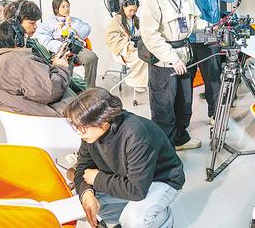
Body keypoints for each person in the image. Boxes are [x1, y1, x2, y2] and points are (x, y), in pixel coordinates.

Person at [65, 88, 184, 228]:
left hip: (161, 180)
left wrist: (97, 179)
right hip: (129, 179)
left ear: (103, 122)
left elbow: (137, 190)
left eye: (82, 127)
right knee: (83, 205)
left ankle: (162, 218)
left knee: (133, 220)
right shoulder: (90, 136)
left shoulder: (135, 134)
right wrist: (87, 194)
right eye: (77, 127)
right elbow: (82, 168)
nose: (79, 132)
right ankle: (144, 212)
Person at [139, 0, 209, 150]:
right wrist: (173, 59)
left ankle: (179, 139)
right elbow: (150, 35)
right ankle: (165, 149)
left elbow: (193, 21)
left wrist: (209, 27)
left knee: (184, 103)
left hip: (185, 55)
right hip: (165, 61)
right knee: (164, 107)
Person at [174, 0, 242, 123]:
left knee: (212, 78)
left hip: (206, 33)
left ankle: (215, 115)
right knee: (184, 81)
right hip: (183, 36)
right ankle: (182, 123)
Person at [0, 20, 72, 117]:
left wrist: (54, 65)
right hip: (48, 117)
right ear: (18, 40)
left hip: (24, 116)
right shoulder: (19, 60)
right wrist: (61, 67)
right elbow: (50, 90)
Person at [35, 0, 99, 89]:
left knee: (91, 57)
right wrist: (61, 47)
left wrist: (72, 24)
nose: (67, 9)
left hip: (75, 48)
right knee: (66, 65)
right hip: (60, 50)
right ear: (56, 9)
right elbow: (45, 40)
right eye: (63, 7)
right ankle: (67, 91)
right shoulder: (48, 23)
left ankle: (89, 88)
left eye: (68, 6)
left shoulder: (74, 20)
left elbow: (86, 31)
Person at [105, 0, 148, 91]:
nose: (132, 13)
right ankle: (134, 80)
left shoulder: (137, 20)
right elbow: (111, 38)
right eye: (130, 10)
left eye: (135, 11)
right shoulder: (116, 20)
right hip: (123, 50)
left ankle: (140, 81)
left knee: (149, 56)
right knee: (142, 58)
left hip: (137, 47)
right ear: (124, 7)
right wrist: (128, 42)